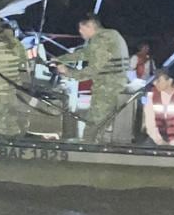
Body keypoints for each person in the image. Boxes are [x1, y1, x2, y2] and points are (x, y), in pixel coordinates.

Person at [52, 14, 131, 142]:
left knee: (93, 124)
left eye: (81, 28)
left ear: (90, 26)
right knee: (101, 123)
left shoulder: (100, 39)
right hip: (115, 85)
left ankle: (88, 151)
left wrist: (68, 72)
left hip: (107, 88)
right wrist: (61, 59)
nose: (80, 32)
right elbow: (86, 53)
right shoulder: (111, 35)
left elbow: (94, 70)